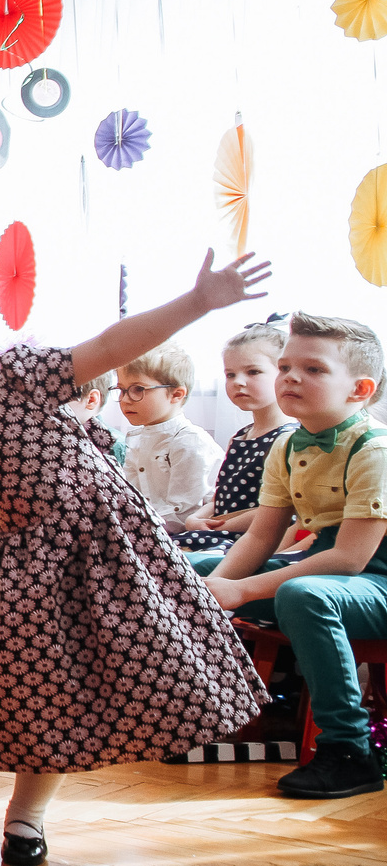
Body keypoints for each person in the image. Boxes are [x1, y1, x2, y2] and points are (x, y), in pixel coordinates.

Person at [0, 251, 273, 866]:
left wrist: (197, 302)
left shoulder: (17, 379)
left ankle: (25, 822)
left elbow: (111, 345)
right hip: (20, 573)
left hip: (103, 559)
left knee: (66, 690)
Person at [202, 312, 387, 799]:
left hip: (374, 577)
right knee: (192, 571)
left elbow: (348, 558)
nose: (290, 378)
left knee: (307, 595)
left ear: (360, 388)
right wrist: (212, 590)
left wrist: (240, 590)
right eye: (284, 366)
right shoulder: (286, 445)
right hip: (328, 568)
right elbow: (261, 538)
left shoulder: (376, 449)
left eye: (315, 369)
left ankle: (349, 750)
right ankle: (197, 709)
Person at [169, 319, 290, 555]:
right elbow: (222, 496)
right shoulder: (241, 436)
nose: (238, 382)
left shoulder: (289, 438)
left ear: (284, 373)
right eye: (230, 374)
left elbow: (281, 510)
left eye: (253, 372)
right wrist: (196, 518)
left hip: (251, 538)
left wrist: (216, 526)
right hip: (217, 530)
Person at [117, 343, 219, 528]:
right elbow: (129, 496)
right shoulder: (136, 439)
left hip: (187, 533)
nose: (124, 399)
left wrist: (132, 526)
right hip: (148, 528)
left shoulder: (189, 442)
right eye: (121, 390)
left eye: (138, 389)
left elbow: (183, 513)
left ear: (176, 395)